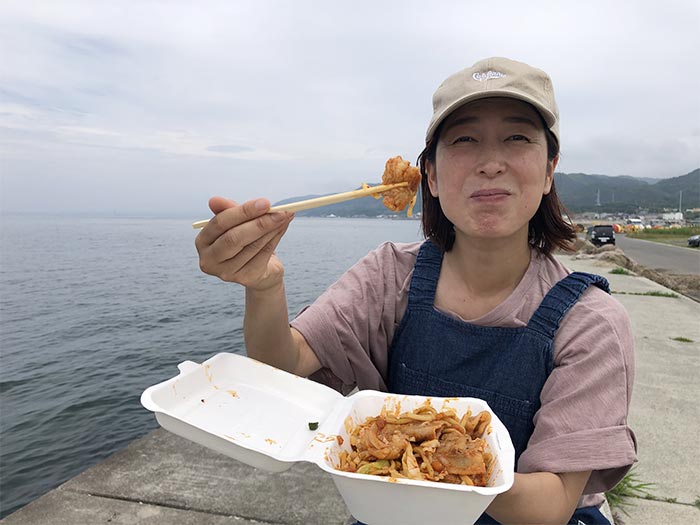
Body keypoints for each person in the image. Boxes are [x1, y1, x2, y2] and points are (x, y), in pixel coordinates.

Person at [195, 57, 637, 525]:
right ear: (430, 176)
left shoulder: (591, 322)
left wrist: (431, 457)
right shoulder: (390, 275)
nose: (491, 163)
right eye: (465, 139)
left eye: (517, 138)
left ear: (549, 170)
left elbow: (549, 506)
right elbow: (283, 364)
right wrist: (264, 287)